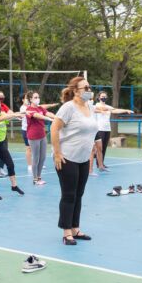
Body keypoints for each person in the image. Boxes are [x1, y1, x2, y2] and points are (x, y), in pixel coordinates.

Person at [51, 76, 98, 245]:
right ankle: (66, 232)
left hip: (83, 158)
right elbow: (54, 128)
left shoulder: (89, 106)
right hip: (67, 158)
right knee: (69, 195)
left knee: (79, 194)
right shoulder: (68, 108)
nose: (89, 90)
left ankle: (75, 228)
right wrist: (57, 153)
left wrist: (90, 148)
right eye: (85, 88)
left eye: (89, 86)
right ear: (75, 91)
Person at [0, 97, 25, 200]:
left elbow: (7, 117)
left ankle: (14, 186)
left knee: (10, 164)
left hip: (2, 145)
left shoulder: (2, 114)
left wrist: (18, 116)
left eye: (0, 105)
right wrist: (14, 114)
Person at [89, 91, 133, 175]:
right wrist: (107, 109)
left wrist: (126, 110)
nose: (104, 98)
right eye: (102, 96)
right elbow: (102, 109)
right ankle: (96, 165)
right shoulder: (97, 105)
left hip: (107, 129)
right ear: (99, 97)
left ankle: (101, 164)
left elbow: (115, 110)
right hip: (99, 129)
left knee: (104, 147)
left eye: (105, 96)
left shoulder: (108, 107)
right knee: (98, 149)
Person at [25, 91, 57, 185]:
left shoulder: (40, 108)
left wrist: (56, 117)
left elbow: (48, 113)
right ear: (30, 99)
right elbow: (36, 115)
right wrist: (47, 119)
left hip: (42, 135)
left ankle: (39, 177)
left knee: (42, 157)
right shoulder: (29, 109)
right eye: (35, 97)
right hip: (33, 136)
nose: (37, 99)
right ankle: (35, 179)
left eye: (38, 97)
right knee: (36, 157)